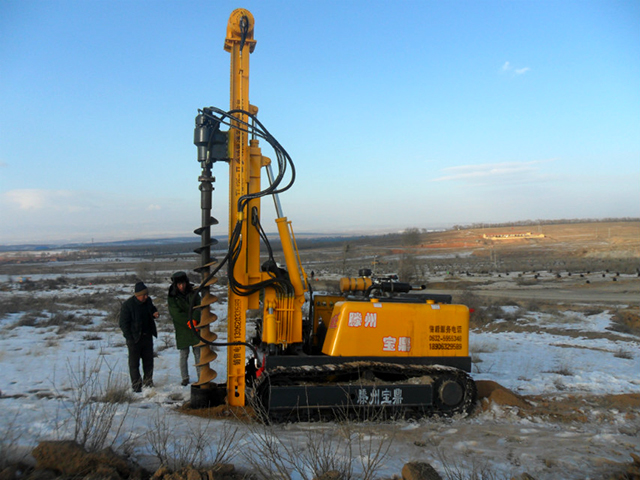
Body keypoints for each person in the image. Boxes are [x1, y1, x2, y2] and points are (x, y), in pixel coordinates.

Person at [119, 281, 159, 392]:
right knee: (134, 364)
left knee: (148, 362)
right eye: (144, 295)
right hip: (134, 339)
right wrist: (129, 337)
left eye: (147, 294)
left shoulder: (148, 301)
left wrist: (155, 313)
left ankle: (148, 382)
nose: (146, 297)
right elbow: (123, 323)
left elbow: (152, 309)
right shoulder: (128, 305)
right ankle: (136, 386)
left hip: (147, 337)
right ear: (137, 295)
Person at [167, 271, 202, 386]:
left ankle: (201, 376)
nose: (182, 286)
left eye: (183, 284)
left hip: (196, 326)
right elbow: (175, 313)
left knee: (198, 353)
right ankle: (185, 378)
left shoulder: (194, 292)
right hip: (182, 328)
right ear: (175, 285)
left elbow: (200, 305)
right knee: (184, 354)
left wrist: (195, 319)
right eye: (179, 284)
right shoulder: (172, 296)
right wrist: (188, 321)